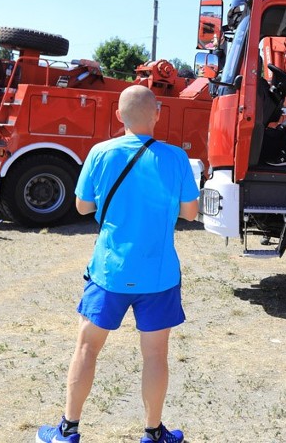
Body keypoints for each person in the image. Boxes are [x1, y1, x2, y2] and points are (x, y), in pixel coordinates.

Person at [37, 85, 200, 443]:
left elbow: (82, 207)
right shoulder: (176, 159)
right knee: (156, 355)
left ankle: (68, 430)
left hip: (109, 271)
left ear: (118, 115)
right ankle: (153, 432)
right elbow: (190, 213)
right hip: (158, 274)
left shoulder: (100, 153)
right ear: (157, 114)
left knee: (86, 347)